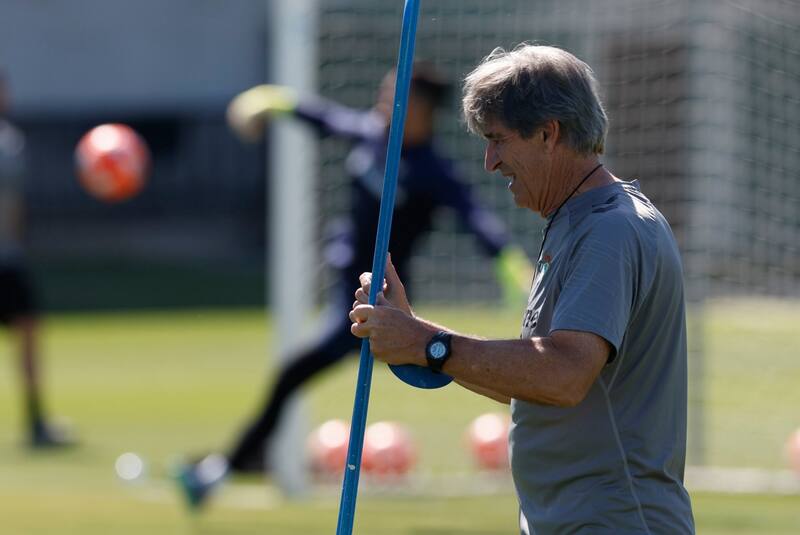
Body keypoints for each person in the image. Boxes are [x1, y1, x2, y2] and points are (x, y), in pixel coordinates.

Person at [350, 45, 695, 534]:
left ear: (548, 133)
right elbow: (536, 383)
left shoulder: (610, 230)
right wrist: (416, 340)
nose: (490, 161)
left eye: (498, 140)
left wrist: (428, 344)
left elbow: (563, 375)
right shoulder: (575, 223)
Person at [175, 62, 533, 508]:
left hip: (377, 308)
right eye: (384, 93)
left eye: (393, 97)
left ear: (420, 110)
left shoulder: (430, 170)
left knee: (308, 373)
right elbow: (321, 118)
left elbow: (474, 217)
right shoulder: (370, 134)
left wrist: (510, 265)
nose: (384, 104)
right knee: (310, 374)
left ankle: (225, 469)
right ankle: (232, 466)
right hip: (349, 299)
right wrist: (269, 102)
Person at [0, 71, 74, 449]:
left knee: (27, 337)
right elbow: (14, 209)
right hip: (6, 261)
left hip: (8, 259)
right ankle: (36, 424)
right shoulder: (8, 143)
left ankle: (36, 422)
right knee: (27, 338)